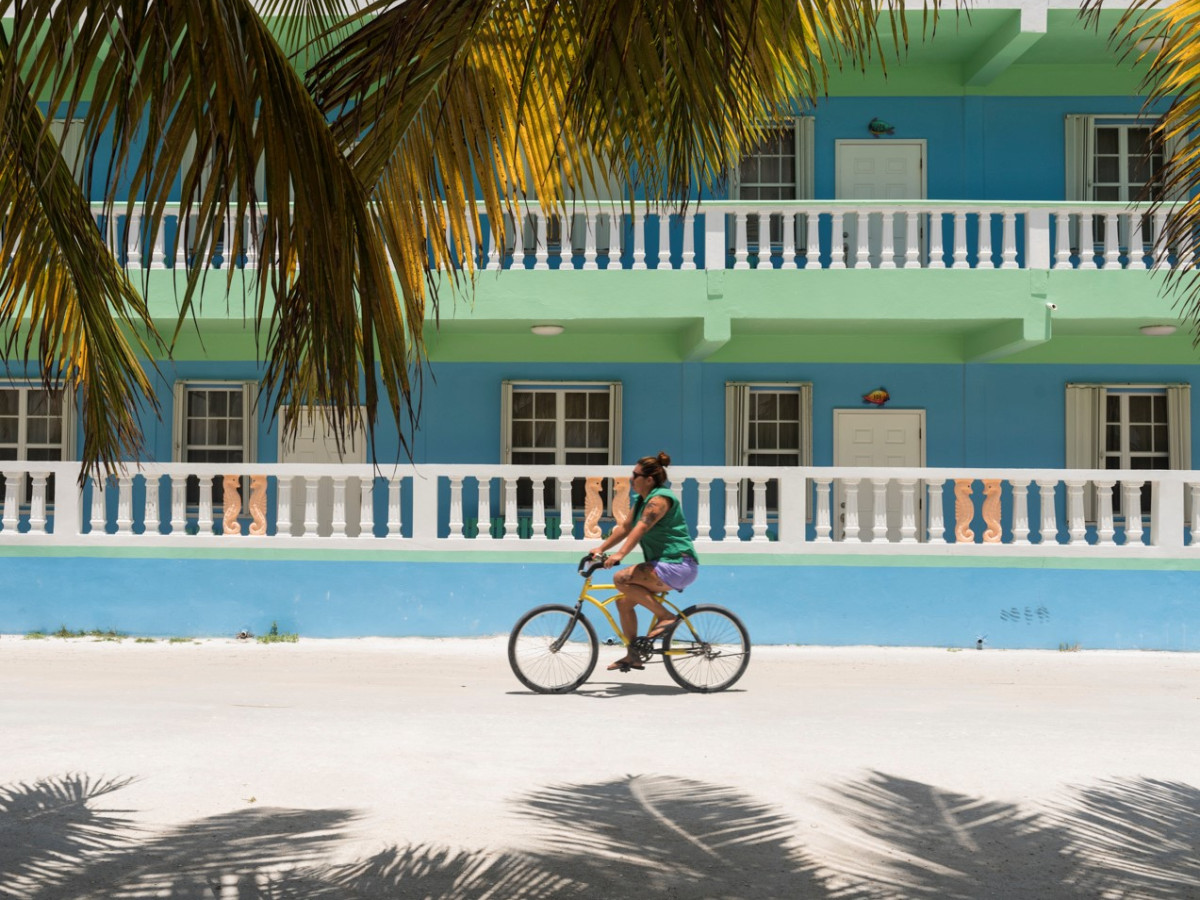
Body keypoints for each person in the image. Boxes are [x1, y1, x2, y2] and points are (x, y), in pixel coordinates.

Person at [589, 451, 699, 672]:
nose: (631, 479)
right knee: (623, 602)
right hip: (663, 565)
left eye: (635, 475)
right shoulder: (642, 500)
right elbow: (626, 527)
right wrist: (601, 548)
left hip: (678, 564)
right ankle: (634, 655)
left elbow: (642, 527)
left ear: (649, 479)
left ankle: (666, 617)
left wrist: (620, 554)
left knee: (621, 578)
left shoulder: (659, 500)